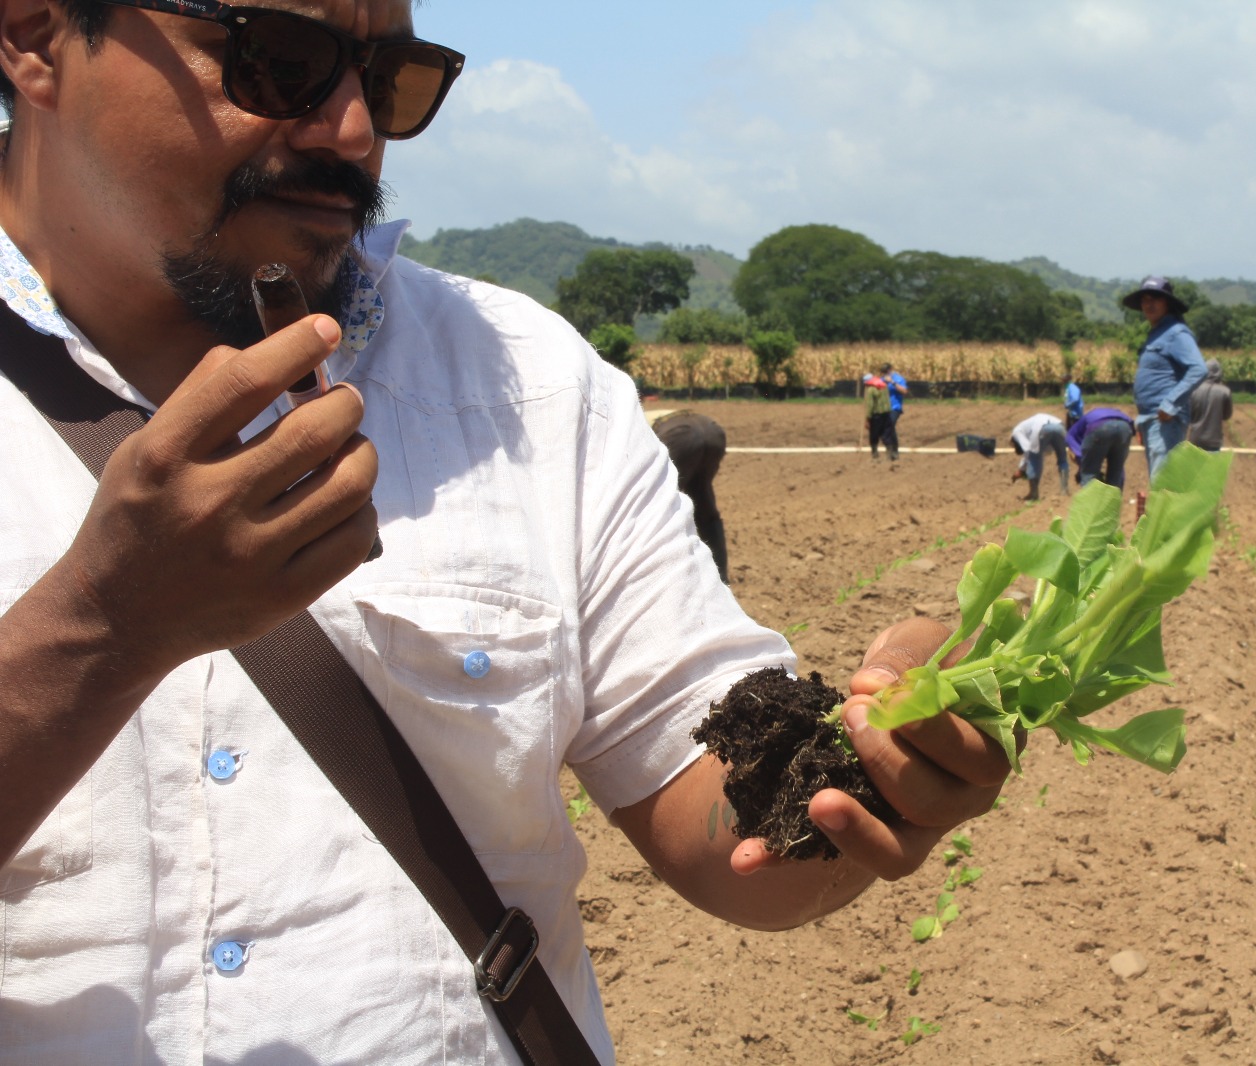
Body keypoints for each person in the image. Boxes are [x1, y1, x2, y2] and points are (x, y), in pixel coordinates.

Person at [0, 5, 1011, 1063]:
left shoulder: (529, 387)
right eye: (280, 60)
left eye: (389, 80)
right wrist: (106, 625)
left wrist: (868, 760)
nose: (353, 131)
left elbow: (717, 826)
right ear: (33, 36)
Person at [1124, 276, 1208, 480]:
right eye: (1145, 300)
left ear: (1167, 303)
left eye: (1155, 299)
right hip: (1151, 419)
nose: (1149, 304)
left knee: (1163, 483)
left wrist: (1170, 403)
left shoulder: (1176, 333)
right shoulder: (1157, 333)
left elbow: (1198, 369)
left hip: (1165, 420)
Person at [650, 410, 729, 582]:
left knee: (661, 507)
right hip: (712, 431)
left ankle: (667, 573)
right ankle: (720, 576)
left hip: (680, 436)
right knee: (703, 498)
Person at [1066, 406, 1135, 489]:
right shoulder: (1112, 413)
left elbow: (1078, 451)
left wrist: (1082, 466)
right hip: (1125, 426)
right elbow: (1133, 428)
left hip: (1099, 425)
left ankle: (1091, 496)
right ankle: (1114, 495)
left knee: (1089, 473)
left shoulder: (1072, 433)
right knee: (1116, 472)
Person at [1009, 411, 1069, 500]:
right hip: (1059, 427)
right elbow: (1047, 451)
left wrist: (1021, 470)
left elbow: (1028, 450)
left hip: (1041, 428)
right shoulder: (1026, 426)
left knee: (1034, 458)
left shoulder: (1016, 432)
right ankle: (1064, 491)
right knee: (1062, 459)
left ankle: (1034, 494)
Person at [1187, 358, 1233, 452]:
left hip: (1195, 439)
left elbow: (1188, 414)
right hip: (1214, 441)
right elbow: (1227, 416)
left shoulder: (1193, 390)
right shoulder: (1225, 392)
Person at [862, 371, 897, 461]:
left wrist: (867, 418)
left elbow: (870, 405)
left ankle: (875, 453)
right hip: (886, 413)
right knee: (886, 433)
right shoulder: (884, 386)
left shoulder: (870, 390)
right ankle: (890, 452)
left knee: (874, 434)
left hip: (876, 415)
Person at [881, 361, 908, 437]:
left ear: (890, 369)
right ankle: (893, 443)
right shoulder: (882, 379)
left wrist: (892, 382)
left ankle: (891, 443)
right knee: (888, 428)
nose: (885, 373)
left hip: (894, 407)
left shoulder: (898, 379)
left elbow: (904, 391)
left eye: (886, 371)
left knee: (888, 426)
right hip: (883, 408)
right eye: (883, 372)